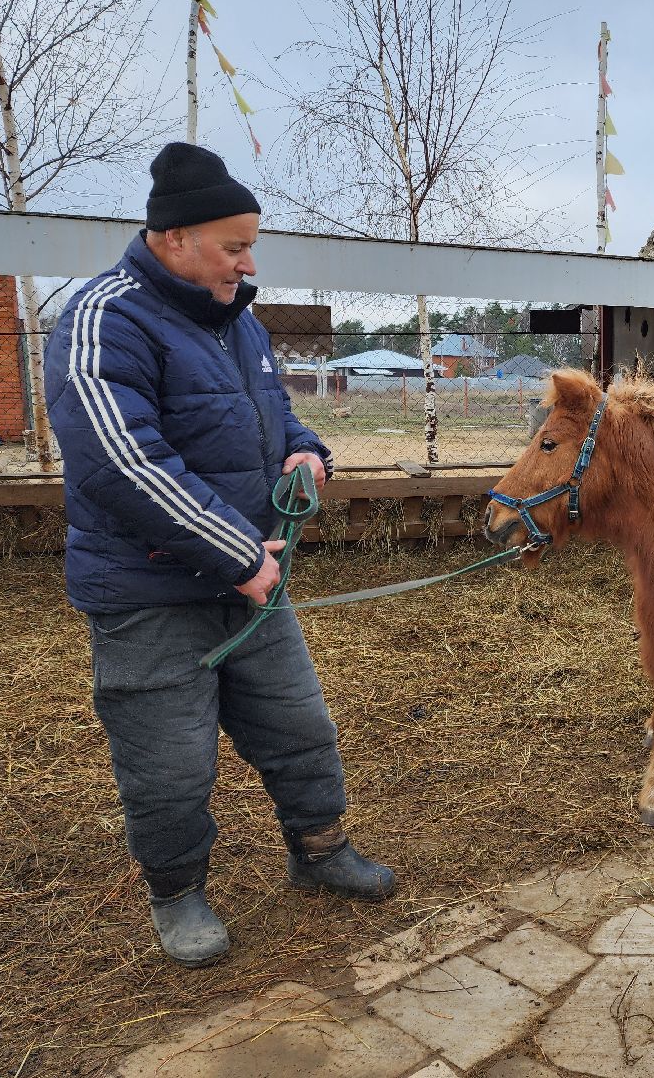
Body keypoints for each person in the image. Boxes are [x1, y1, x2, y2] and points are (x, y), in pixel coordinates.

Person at [45, 143, 395, 967]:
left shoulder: (239, 323)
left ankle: (318, 852)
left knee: (299, 727)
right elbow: (120, 458)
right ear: (173, 237)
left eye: (251, 242)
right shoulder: (105, 318)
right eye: (234, 243)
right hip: (150, 594)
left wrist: (307, 454)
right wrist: (238, 553)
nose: (248, 259)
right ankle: (178, 894)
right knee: (167, 763)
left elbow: (276, 416)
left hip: (250, 583)